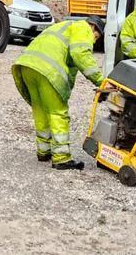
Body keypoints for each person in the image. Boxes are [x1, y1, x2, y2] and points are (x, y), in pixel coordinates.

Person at [11, 18, 104, 170]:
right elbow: (81, 55)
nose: (94, 40)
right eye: (96, 36)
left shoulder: (64, 26)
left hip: (27, 65)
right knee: (57, 112)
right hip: (47, 69)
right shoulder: (83, 27)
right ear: (93, 26)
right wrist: (101, 81)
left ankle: (44, 151)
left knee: (40, 110)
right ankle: (61, 158)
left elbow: (70, 65)